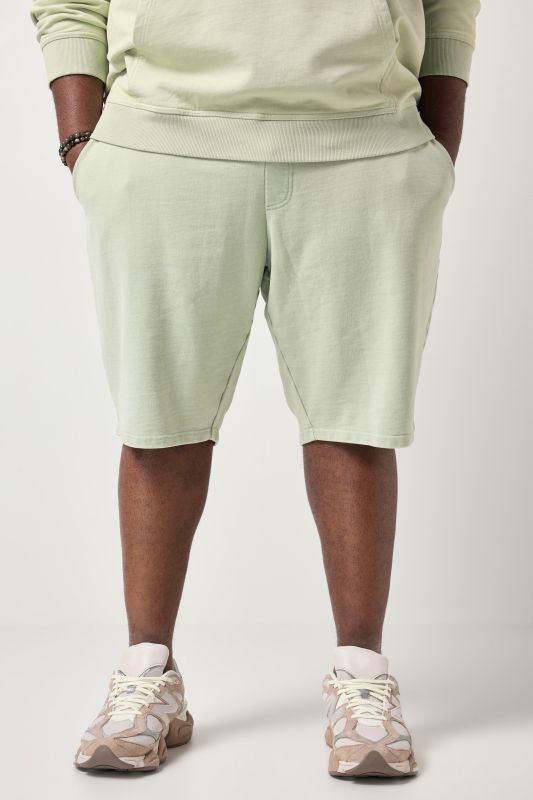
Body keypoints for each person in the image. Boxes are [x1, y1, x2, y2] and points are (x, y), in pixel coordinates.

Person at [30, 0, 480, 778]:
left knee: (356, 420)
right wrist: (80, 140)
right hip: (163, 141)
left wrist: (437, 146)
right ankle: (147, 673)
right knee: (158, 421)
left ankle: (361, 677)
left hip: (366, 145)